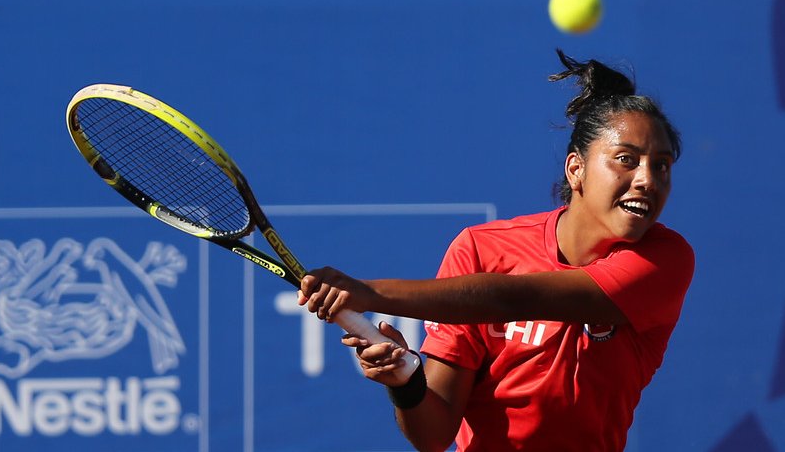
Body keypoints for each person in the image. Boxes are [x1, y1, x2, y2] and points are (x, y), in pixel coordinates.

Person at [298, 50, 695, 452]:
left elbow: (512, 298)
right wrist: (407, 379)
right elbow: (433, 436)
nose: (647, 179)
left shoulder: (664, 260)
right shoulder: (480, 248)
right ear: (576, 169)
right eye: (626, 160)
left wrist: (372, 293)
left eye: (661, 166)